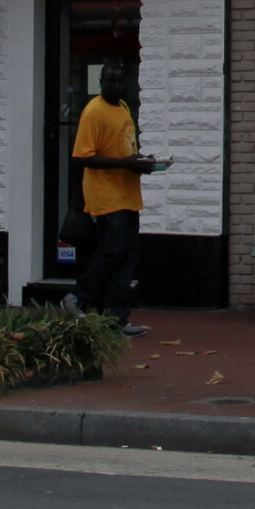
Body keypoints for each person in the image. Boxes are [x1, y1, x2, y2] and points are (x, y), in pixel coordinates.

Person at [70, 62, 155, 338]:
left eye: (120, 82)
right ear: (101, 81)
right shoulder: (93, 111)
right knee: (112, 251)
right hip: (106, 196)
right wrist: (124, 164)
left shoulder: (123, 108)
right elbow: (82, 156)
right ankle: (77, 297)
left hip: (129, 194)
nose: (115, 87)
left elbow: (126, 148)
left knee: (128, 258)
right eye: (110, 82)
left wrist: (142, 162)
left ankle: (116, 319)